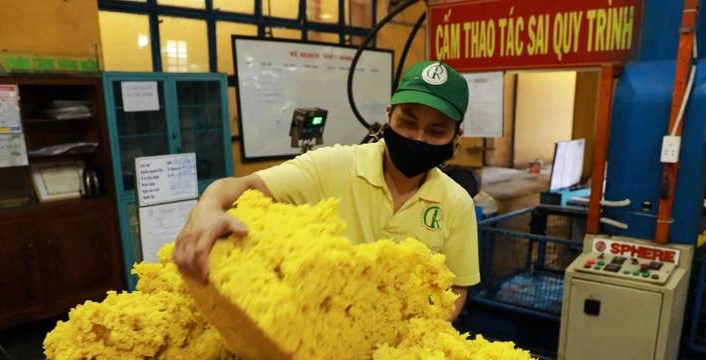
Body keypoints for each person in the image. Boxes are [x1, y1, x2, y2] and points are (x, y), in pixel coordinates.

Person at [173, 60, 480, 321]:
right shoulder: (333, 166)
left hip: (401, 344)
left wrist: (421, 329)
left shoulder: (456, 203)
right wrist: (208, 208)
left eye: (436, 131)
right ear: (389, 116)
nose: (418, 138)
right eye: (407, 123)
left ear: (456, 135)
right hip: (322, 332)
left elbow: (456, 288)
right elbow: (245, 185)